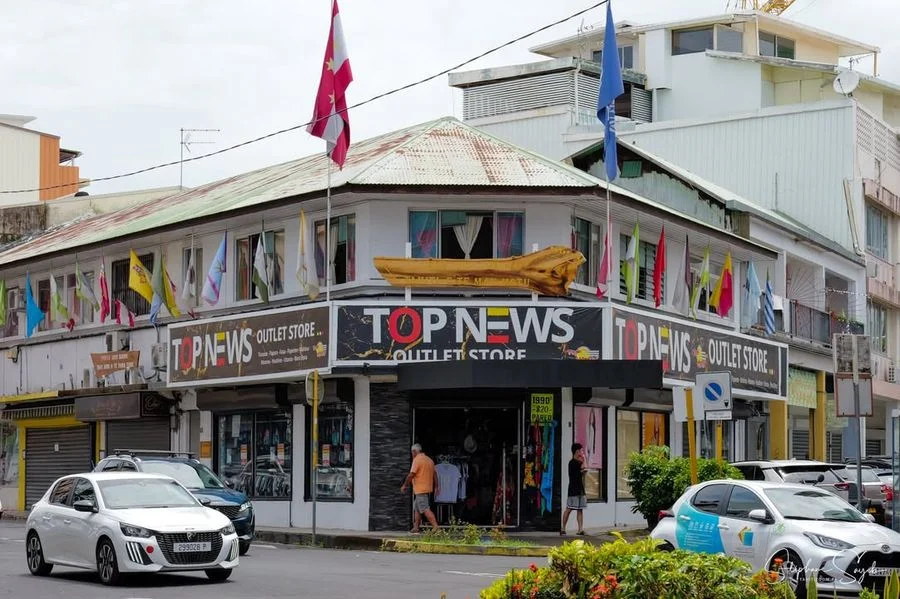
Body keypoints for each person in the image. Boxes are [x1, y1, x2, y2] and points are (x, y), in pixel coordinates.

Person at [400, 443, 440, 533]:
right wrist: (437, 486)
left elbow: (411, 474)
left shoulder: (417, 460)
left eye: (412, 452)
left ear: (414, 451)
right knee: (417, 508)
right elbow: (435, 474)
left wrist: (405, 485)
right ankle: (416, 527)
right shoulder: (429, 460)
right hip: (426, 489)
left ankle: (435, 527)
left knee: (425, 509)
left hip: (420, 489)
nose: (412, 454)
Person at [561, 442, 587, 536]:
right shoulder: (572, 463)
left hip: (580, 490)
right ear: (577, 451)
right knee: (569, 509)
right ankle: (563, 528)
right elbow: (584, 468)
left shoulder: (579, 462)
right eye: (581, 450)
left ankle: (580, 529)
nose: (582, 452)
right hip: (573, 490)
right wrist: (584, 458)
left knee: (580, 509)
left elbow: (584, 471)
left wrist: (583, 460)